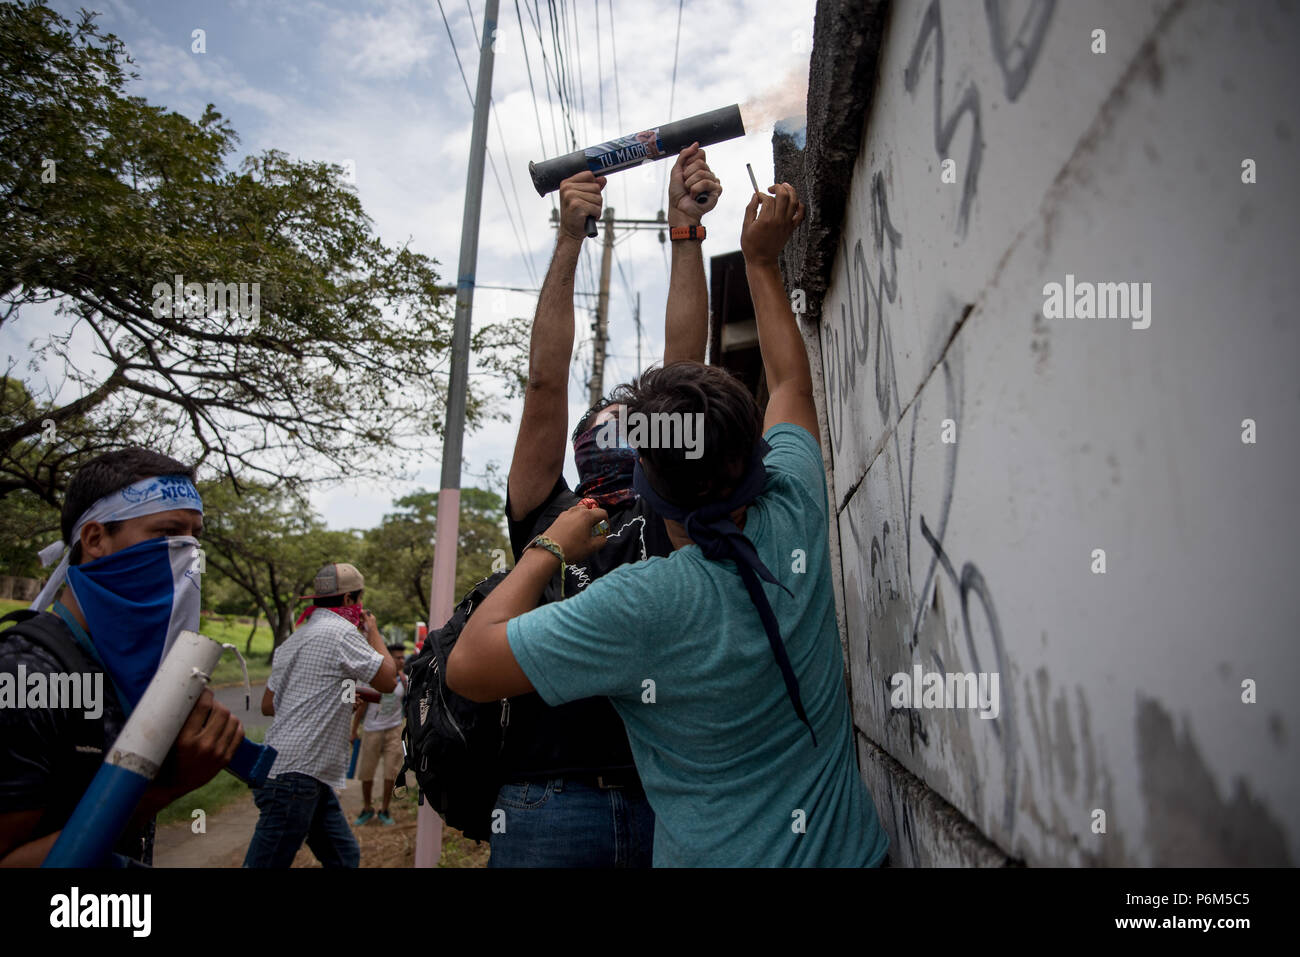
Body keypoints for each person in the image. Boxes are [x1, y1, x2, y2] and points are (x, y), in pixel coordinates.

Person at [449, 183, 891, 867]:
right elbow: (568, 381)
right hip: (577, 799)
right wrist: (716, 246)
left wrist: (672, 233)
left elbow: (666, 365)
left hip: (624, 808)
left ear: (646, 478)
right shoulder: (788, 515)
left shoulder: (633, 579)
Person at [488, 144, 721, 868]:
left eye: (642, 415)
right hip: (549, 799)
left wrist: (685, 229)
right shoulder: (547, 513)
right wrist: (568, 239)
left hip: (669, 796)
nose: (625, 419)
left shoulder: (672, 513)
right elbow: (544, 386)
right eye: (612, 413)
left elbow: (686, 369)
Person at [0, 448, 243, 866]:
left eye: (194, 536)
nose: (186, 551)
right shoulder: (26, 674)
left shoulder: (125, 668)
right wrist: (165, 788)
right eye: (167, 531)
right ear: (95, 539)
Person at [243, 563, 396, 868]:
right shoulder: (342, 633)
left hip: (294, 771)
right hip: (297, 776)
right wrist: (373, 631)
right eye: (360, 600)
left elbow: (270, 705)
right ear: (351, 600)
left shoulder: (294, 639)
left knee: (344, 857)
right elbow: (388, 680)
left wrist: (333, 701)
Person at [350, 642, 407, 826]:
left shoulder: (404, 680)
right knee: (367, 771)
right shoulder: (374, 680)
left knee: (391, 771)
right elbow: (362, 707)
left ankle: (385, 809)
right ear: (388, 659)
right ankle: (367, 808)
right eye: (397, 658)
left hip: (394, 729)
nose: (401, 661)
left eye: (402, 657)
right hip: (372, 730)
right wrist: (353, 730)